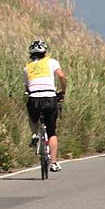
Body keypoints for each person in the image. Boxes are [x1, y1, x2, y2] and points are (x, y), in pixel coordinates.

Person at [23, 40, 66, 172]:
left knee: (32, 117)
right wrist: (63, 90)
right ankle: (53, 163)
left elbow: (27, 87)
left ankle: (35, 134)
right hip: (49, 98)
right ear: (45, 52)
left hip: (34, 98)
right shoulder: (52, 62)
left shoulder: (27, 68)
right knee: (52, 132)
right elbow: (61, 76)